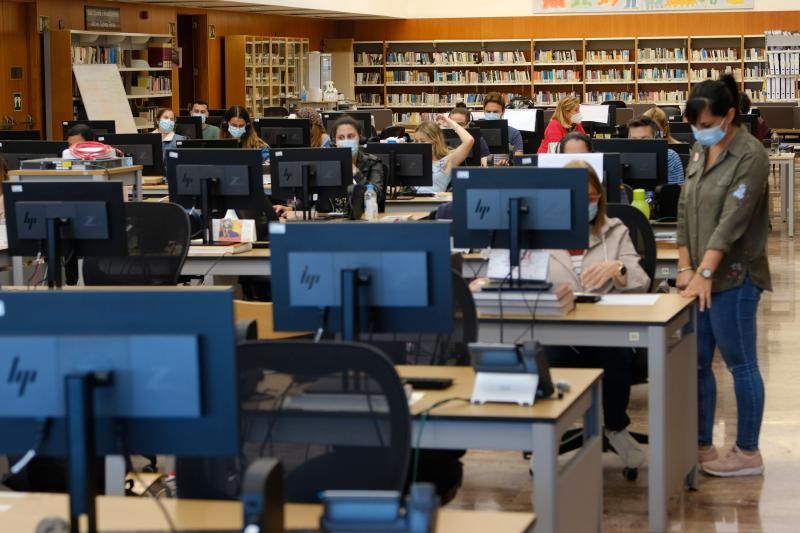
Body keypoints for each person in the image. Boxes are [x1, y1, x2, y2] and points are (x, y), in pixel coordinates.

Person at [677, 74, 770, 477]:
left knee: (740, 363)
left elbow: (733, 221)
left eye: (707, 124)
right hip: (698, 275)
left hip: (734, 276)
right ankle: (702, 445)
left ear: (730, 115)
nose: (700, 132)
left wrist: (706, 271)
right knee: (698, 363)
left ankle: (748, 452)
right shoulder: (700, 151)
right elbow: (684, 208)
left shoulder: (751, 155)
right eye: (695, 126)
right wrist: (685, 267)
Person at [274, 115, 383, 218]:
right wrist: (292, 208)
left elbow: (377, 195)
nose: (346, 140)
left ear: (360, 137)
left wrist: (355, 172)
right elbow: (313, 196)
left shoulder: (372, 163)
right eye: (341, 137)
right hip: (328, 220)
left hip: (362, 220)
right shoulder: (326, 163)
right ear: (335, 141)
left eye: (350, 136)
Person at [412, 115, 475, 193]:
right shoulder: (414, 161)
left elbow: (469, 141)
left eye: (423, 141)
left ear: (436, 141)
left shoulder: (447, 161)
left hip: (431, 203)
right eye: (416, 141)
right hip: (409, 201)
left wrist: (450, 123)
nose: (419, 145)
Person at [627, 116, 685, 185]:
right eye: (634, 139)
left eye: (644, 139)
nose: (639, 144)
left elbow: (675, 193)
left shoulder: (669, 157)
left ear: (655, 138)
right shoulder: (620, 157)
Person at [482, 92, 524, 163]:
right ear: (483, 110)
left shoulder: (514, 133)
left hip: (504, 171)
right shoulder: (477, 132)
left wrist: (508, 165)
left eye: (495, 112)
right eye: (488, 112)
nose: (491, 114)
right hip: (480, 171)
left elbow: (519, 162)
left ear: (503, 111)